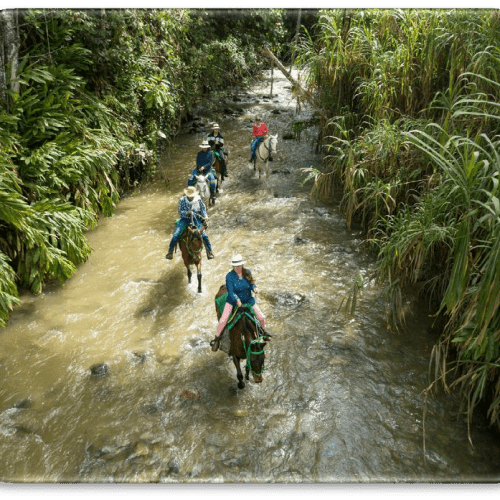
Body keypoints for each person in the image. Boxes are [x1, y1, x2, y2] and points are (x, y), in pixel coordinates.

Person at [211, 254, 266, 351]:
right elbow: (231, 292)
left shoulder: (247, 272)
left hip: (248, 299)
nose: (238, 268)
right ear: (233, 266)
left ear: (242, 265)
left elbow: (252, 283)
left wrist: (254, 288)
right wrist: (237, 300)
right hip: (233, 301)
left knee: (261, 317)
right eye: (236, 266)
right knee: (223, 320)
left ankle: (263, 334)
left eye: (239, 266)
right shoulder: (229, 276)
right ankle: (217, 339)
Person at [165, 186, 214, 260]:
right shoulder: (182, 200)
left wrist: (205, 218)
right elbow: (180, 211)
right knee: (176, 235)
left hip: (196, 219)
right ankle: (170, 252)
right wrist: (187, 213)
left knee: (204, 236)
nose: (191, 197)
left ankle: (209, 251)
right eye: (190, 196)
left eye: (192, 196)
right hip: (185, 219)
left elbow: (203, 210)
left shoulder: (198, 200)